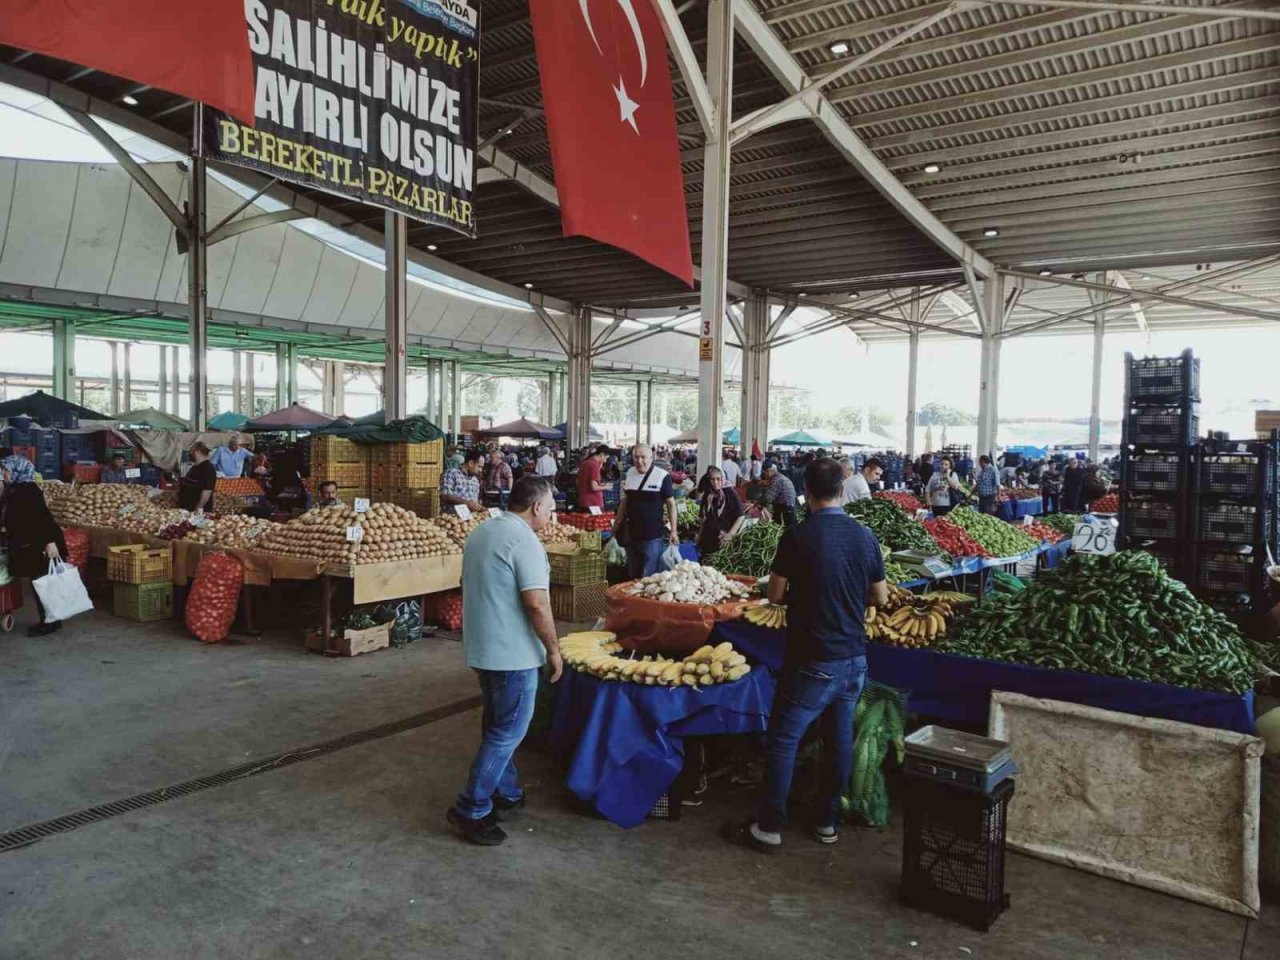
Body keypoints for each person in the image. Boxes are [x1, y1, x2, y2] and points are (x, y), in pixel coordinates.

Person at [724, 458, 887, 854]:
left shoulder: (799, 535)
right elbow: (880, 597)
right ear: (841, 489)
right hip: (854, 659)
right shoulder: (864, 536)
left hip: (815, 657)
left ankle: (768, 828)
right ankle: (826, 822)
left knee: (784, 739)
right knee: (838, 740)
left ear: (807, 492)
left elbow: (775, 595)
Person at [448, 475, 562, 846]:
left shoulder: (483, 532)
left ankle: (507, 791)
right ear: (536, 507)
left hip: (483, 648)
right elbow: (536, 602)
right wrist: (554, 649)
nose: (554, 514)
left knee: (497, 723)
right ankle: (472, 807)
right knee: (507, 731)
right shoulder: (524, 541)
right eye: (552, 507)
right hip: (513, 653)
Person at [1, 455, 67, 637]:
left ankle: (48, 622)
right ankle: (52, 620)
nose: (4, 474)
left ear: (17, 470)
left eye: (6, 470)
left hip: (41, 544)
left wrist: (50, 543)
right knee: (42, 582)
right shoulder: (17, 488)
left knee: (42, 583)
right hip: (33, 542)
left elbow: (42, 518)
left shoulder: (28, 490)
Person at [614, 444, 679, 579]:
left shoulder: (662, 476)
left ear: (651, 458)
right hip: (632, 535)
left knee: (649, 577)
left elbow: (671, 505)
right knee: (633, 575)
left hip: (653, 537)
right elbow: (625, 500)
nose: (639, 461)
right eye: (636, 457)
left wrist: (674, 531)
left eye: (643, 457)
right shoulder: (630, 473)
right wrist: (617, 522)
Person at [696, 467, 743, 558]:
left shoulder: (730, 493)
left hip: (723, 538)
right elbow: (702, 517)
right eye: (712, 479)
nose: (715, 482)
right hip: (708, 538)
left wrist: (730, 534)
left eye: (718, 479)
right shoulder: (708, 495)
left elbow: (740, 516)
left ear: (723, 479)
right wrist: (700, 534)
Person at [441, 450, 486, 514]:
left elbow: (474, 503)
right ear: (471, 463)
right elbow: (445, 496)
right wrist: (466, 503)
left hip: (471, 519)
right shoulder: (451, 473)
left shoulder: (475, 480)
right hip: (452, 517)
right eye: (479, 466)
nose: (480, 470)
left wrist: (484, 509)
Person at [179, 443, 217, 513]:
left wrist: (197, 508)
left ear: (197, 452)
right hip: (187, 509)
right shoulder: (195, 466)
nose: (190, 456)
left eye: (191, 453)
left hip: (195, 511)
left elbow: (207, 491)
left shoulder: (208, 468)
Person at [759, 460, 798, 526]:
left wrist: (757, 504)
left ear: (770, 471)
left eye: (764, 472)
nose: (764, 475)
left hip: (785, 511)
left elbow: (767, 499)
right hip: (789, 509)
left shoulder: (776, 480)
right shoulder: (781, 477)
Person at [576, 444, 610, 513]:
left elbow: (577, 481)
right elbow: (594, 487)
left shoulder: (585, 463)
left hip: (583, 501)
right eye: (606, 458)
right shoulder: (594, 465)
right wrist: (606, 487)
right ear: (601, 455)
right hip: (593, 502)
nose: (605, 461)